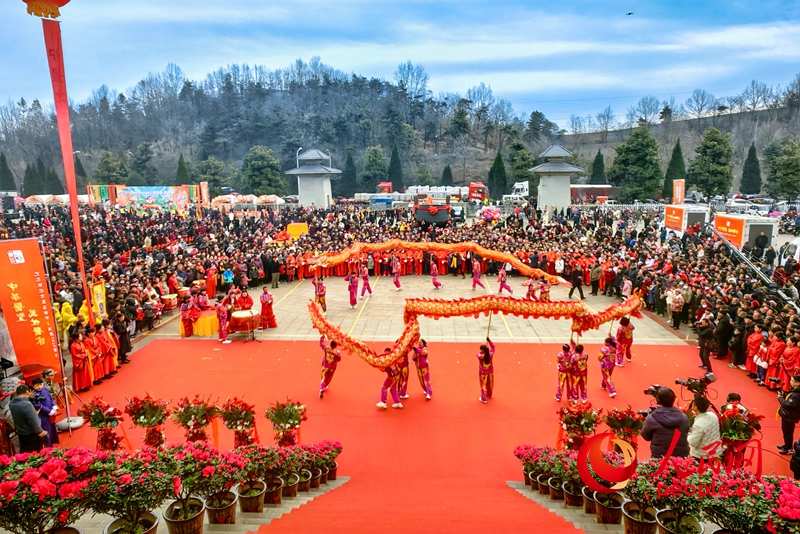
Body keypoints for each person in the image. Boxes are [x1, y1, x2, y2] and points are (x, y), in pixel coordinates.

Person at [641, 387, 690, 458]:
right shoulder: (684, 417)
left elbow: (646, 436)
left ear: (658, 401)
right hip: (681, 459)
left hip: (658, 458)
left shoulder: (652, 418)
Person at [9, 385, 48, 453]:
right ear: (27, 391)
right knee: (35, 454)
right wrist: (40, 431)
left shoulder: (11, 404)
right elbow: (33, 420)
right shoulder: (26, 404)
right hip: (31, 434)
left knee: (25, 453)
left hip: (21, 433)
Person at [31, 378, 59, 446]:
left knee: (52, 430)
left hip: (51, 414)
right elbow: (39, 405)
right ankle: (48, 448)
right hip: (43, 417)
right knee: (47, 433)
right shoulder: (33, 395)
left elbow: (51, 398)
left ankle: (52, 445)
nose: (39, 386)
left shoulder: (45, 390)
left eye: (41, 384)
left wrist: (54, 406)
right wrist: (50, 411)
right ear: (33, 386)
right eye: (37, 385)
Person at [778, 375, 800, 455]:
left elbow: (788, 404)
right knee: (785, 431)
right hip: (787, 415)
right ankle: (786, 445)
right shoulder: (794, 391)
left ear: (798, 383)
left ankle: (789, 449)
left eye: (792, 381)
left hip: (790, 416)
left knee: (788, 432)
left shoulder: (797, 395)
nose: (790, 382)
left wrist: (780, 398)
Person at [477, 337, 495, 404]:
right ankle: (489, 395)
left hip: (483, 373)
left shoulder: (480, 356)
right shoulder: (490, 354)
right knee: (489, 383)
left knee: (483, 385)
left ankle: (483, 398)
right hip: (490, 371)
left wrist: (483, 350)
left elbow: (478, 353)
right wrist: (489, 341)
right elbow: (493, 348)